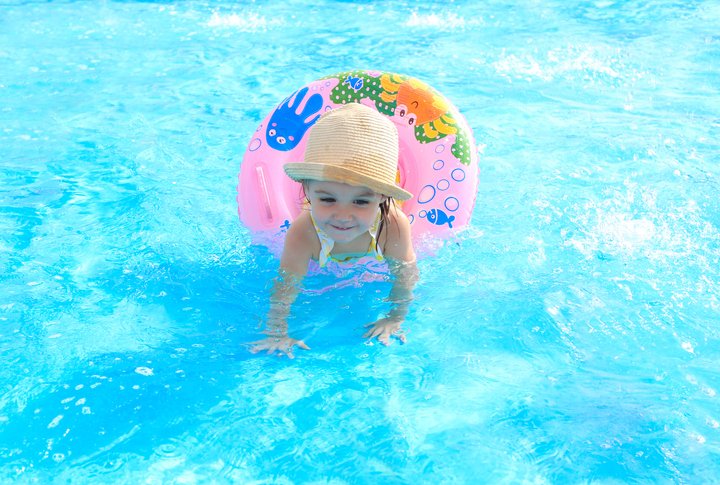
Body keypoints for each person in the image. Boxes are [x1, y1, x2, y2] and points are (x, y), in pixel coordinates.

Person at [249, 103, 419, 358]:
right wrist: (276, 331)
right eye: (327, 199)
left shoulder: (391, 225)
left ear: (383, 197)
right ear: (307, 191)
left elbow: (405, 276)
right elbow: (286, 286)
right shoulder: (303, 231)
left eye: (361, 201)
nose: (343, 216)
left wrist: (395, 318)